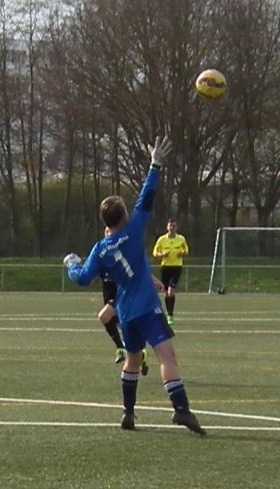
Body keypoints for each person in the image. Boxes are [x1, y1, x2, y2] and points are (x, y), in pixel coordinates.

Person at [63, 135, 205, 435]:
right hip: (147, 308)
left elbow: (83, 277)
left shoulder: (100, 249)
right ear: (124, 216)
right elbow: (147, 197)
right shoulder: (134, 229)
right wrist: (155, 165)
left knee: (133, 359)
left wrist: (72, 264)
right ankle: (181, 410)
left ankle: (128, 412)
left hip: (126, 313)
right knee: (167, 356)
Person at [98, 228, 150, 375]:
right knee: (125, 329)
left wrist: (152, 281)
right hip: (108, 295)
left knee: (103, 316)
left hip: (122, 295)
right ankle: (141, 354)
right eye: (107, 233)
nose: (110, 236)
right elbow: (91, 274)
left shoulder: (123, 254)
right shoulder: (101, 254)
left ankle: (120, 348)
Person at [152, 218, 189, 326]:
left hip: (176, 267)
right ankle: (168, 313)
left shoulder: (181, 239)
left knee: (171, 291)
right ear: (167, 227)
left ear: (176, 227)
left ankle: (170, 315)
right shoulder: (162, 239)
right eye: (170, 226)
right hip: (165, 267)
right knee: (166, 293)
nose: (172, 228)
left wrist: (182, 253)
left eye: (174, 226)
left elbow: (186, 250)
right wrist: (161, 255)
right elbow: (155, 252)